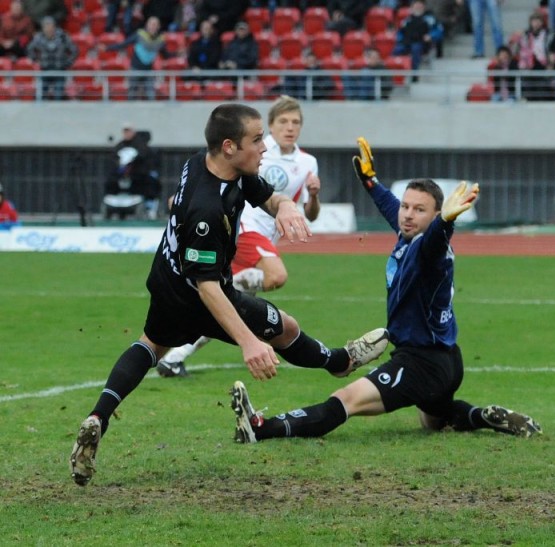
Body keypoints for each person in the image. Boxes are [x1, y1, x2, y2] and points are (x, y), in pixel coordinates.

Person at [69, 103, 389, 487]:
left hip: (167, 280)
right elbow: (208, 289)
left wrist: (286, 206)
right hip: (201, 294)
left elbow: (266, 195)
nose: (265, 148)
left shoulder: (213, 165)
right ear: (228, 146)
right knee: (285, 327)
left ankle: (98, 417)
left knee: (152, 344)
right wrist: (249, 343)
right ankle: (340, 361)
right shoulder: (206, 211)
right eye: (257, 140)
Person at [228, 137, 542, 444]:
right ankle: (479, 416)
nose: (407, 214)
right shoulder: (410, 233)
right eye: (406, 206)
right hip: (445, 360)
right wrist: (370, 181)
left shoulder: (431, 249)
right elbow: (392, 208)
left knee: (346, 399)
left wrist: (445, 224)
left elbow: (434, 243)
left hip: (422, 362)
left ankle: (261, 428)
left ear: (435, 215)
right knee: (434, 419)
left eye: (420, 210)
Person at [157, 96, 323, 377]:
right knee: (276, 276)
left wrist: (314, 196)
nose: (289, 127)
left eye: (295, 122)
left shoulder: (308, 162)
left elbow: (311, 214)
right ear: (270, 125)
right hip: (242, 228)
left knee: (229, 311)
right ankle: (232, 289)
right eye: (283, 121)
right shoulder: (254, 148)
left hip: (265, 236)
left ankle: (174, 357)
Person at [102, 15, 172, 100]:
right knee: (131, 95)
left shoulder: (161, 40)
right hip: (135, 69)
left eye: (155, 25)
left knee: (151, 96)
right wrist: (107, 48)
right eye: (151, 24)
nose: (152, 27)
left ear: (158, 27)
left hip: (148, 70)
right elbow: (124, 44)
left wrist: (177, 54)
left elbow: (166, 54)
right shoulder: (139, 35)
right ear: (147, 25)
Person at [103, 123, 161, 220]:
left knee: (149, 182)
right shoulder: (120, 146)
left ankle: (149, 209)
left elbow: (144, 159)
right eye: (125, 131)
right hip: (121, 177)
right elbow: (113, 159)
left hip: (137, 176)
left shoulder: (141, 145)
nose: (126, 134)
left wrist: (132, 167)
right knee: (110, 181)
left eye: (128, 131)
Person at [25, 15, 77, 100]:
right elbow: (30, 49)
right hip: (45, 69)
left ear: (54, 26)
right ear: (43, 27)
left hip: (59, 70)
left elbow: (74, 50)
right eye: (46, 26)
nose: (48, 28)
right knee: (40, 95)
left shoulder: (63, 37)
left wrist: (68, 62)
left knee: (58, 95)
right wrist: (36, 60)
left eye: (50, 25)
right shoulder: (39, 37)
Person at [392, 0, 444, 78]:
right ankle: (394, 75)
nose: (418, 7)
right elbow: (400, 32)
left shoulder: (430, 19)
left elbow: (439, 31)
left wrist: (431, 36)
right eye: (416, 5)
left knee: (415, 48)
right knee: (396, 50)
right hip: (407, 42)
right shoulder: (407, 20)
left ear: (424, 7)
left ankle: (414, 74)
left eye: (420, 5)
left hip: (423, 43)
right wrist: (400, 39)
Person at [514, 11, 549, 101]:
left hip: (542, 67)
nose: (536, 23)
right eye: (534, 21)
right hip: (527, 67)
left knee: (541, 93)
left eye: (538, 21)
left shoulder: (547, 34)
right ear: (530, 22)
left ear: (542, 22)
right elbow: (517, 51)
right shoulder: (524, 35)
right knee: (528, 93)